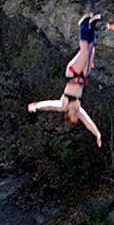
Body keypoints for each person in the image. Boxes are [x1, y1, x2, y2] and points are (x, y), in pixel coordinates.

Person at [28, 14, 102, 147]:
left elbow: (49, 105)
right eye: (76, 118)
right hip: (82, 77)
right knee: (91, 51)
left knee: (85, 52)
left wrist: (36, 106)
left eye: (73, 117)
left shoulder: (63, 106)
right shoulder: (78, 109)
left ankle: (83, 26)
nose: (76, 115)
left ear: (67, 115)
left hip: (73, 74)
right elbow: (88, 122)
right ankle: (92, 26)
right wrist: (97, 134)